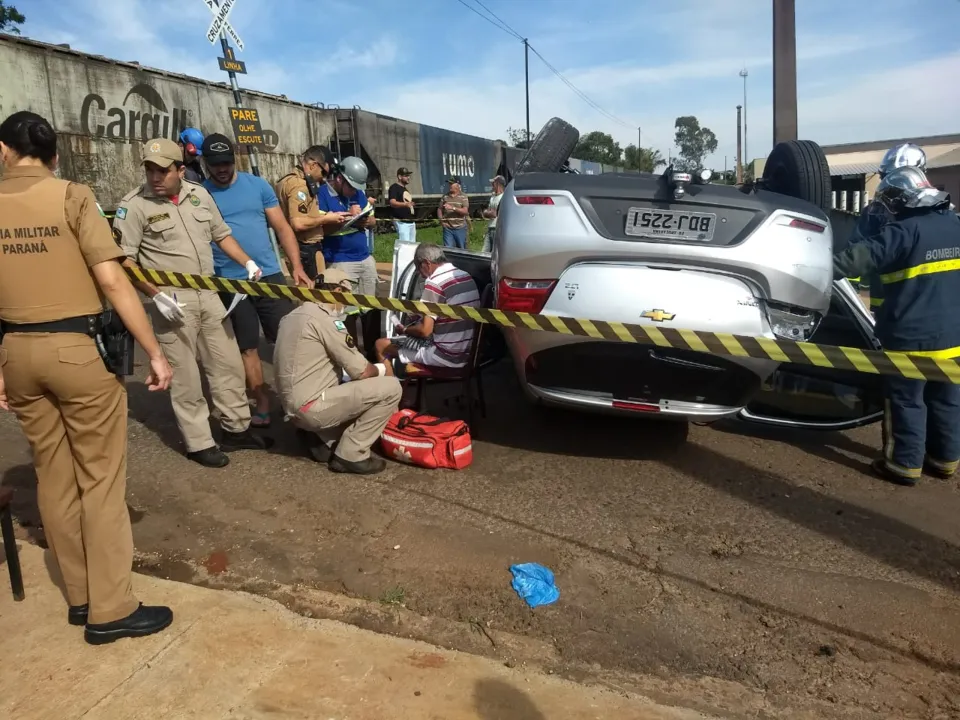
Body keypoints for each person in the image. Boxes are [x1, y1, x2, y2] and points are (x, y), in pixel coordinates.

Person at [0, 111, 174, 644]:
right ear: (54, 156)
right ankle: (111, 609)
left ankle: (78, 597)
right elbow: (113, 282)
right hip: (75, 351)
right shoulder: (72, 197)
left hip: (16, 352)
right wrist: (154, 351)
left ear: (4, 151)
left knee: (53, 476)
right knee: (100, 481)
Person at [114, 137, 271, 468]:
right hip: (172, 299)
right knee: (185, 375)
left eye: (162, 170)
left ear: (180, 170)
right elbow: (124, 261)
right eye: (149, 170)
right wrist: (155, 295)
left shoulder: (199, 195)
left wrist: (247, 262)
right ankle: (199, 442)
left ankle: (236, 428)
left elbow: (221, 234)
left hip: (209, 293)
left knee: (226, 363)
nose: (155, 177)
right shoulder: (134, 206)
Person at [833, 165, 960, 486]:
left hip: (911, 340)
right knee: (947, 399)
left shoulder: (903, 232)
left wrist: (810, 266)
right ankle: (945, 461)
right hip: (955, 338)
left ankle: (903, 464)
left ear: (903, 199)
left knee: (906, 400)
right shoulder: (955, 226)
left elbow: (854, 261)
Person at [201, 133, 309, 427]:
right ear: (205, 163)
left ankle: (298, 396)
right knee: (247, 346)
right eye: (215, 164)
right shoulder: (200, 194)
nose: (221, 169)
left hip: (268, 275)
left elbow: (283, 228)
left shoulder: (258, 186)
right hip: (229, 283)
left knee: (288, 338)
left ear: (234, 159)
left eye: (226, 162)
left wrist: (296, 266)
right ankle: (262, 402)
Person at [273, 268, 402, 475]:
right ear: (338, 290)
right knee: (391, 388)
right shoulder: (328, 321)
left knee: (351, 388)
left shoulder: (290, 317)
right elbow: (362, 372)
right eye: (346, 296)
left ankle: (322, 437)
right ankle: (351, 454)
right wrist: (384, 367)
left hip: (292, 406)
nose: (345, 304)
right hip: (311, 407)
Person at [847, 143, 927, 317]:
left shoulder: (938, 215)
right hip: (887, 304)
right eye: (887, 178)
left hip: (921, 306)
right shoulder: (874, 212)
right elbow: (855, 253)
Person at [374, 243, 480, 373]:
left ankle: (391, 391)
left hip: (445, 355)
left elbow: (425, 331)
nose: (420, 273)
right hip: (467, 352)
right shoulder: (464, 276)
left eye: (418, 267)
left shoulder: (434, 283)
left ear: (426, 263)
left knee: (381, 345)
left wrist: (405, 329)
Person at [275, 145, 351, 280]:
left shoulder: (288, 180)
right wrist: (326, 219)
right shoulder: (300, 186)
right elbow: (298, 223)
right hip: (306, 250)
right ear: (313, 165)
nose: (324, 179)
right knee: (315, 296)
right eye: (324, 173)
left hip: (297, 249)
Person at [317, 156, 379, 296]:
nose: (354, 191)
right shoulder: (323, 194)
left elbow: (373, 219)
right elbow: (321, 229)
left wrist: (368, 222)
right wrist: (348, 217)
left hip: (365, 257)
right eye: (352, 187)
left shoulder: (358, 193)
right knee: (346, 309)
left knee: (370, 306)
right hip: (340, 260)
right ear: (340, 179)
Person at [439, 176, 469, 249]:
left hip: (460, 228)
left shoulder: (463, 197)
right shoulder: (445, 197)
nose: (449, 185)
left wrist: (453, 208)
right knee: (448, 250)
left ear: (458, 185)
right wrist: (441, 220)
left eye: (451, 184)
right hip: (448, 228)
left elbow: (465, 211)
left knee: (461, 249)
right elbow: (439, 209)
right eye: (449, 183)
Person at [388, 167, 416, 242]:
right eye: (406, 176)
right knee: (404, 245)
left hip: (410, 221)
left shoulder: (405, 189)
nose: (408, 177)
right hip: (402, 222)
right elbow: (392, 202)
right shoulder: (394, 187)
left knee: (412, 245)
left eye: (408, 176)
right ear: (400, 177)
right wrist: (405, 204)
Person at [481, 175, 505, 253]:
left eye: (493, 183)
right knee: (484, 252)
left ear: (498, 184)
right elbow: (486, 212)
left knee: (495, 253)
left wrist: (489, 212)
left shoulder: (503, 197)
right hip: (489, 228)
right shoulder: (492, 197)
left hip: (497, 229)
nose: (492, 185)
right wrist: (488, 212)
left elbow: (494, 214)